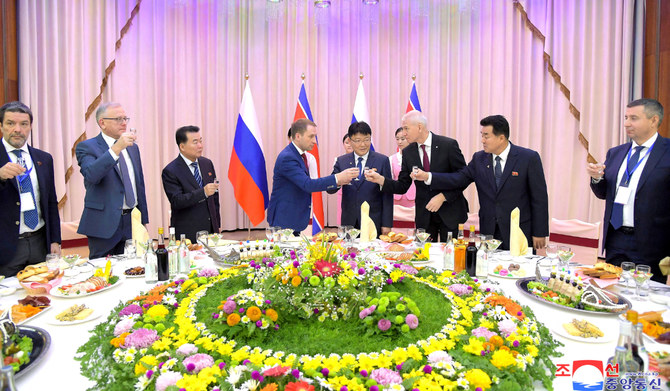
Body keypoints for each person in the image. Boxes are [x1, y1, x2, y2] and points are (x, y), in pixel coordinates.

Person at [414, 115, 549, 251]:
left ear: (501, 138)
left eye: (486, 136)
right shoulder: (479, 159)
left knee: (519, 270)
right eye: (482, 135)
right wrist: (428, 176)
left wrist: (540, 232)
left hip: (518, 230)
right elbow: (459, 178)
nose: (482, 140)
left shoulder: (528, 158)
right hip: (489, 230)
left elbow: (539, 198)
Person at [588, 98, 670, 283]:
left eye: (634, 118)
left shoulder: (667, 152)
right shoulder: (616, 153)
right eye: (626, 117)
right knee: (614, 291)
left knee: (645, 298)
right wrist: (597, 178)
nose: (626, 123)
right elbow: (604, 193)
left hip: (651, 243)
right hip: (616, 238)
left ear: (653, 120)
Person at [365, 110, 468, 242]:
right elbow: (402, 185)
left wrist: (443, 197)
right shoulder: (408, 152)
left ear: (419, 127)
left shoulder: (448, 145)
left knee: (449, 257)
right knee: (423, 256)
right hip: (424, 217)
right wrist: (380, 179)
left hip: (450, 213)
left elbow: (463, 178)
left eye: (406, 128)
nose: (404, 133)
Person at [76, 102, 148, 259]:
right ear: (102, 123)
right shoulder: (87, 147)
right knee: (103, 274)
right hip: (104, 223)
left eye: (125, 118)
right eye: (118, 119)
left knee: (134, 268)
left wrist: (144, 220)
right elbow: (92, 175)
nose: (124, 123)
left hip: (132, 221)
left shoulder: (132, 147)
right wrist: (116, 149)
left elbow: (139, 185)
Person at [0, 101, 61, 276]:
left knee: (44, 297)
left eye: (23, 124)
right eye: (11, 123)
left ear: (30, 127)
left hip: (39, 243)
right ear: (1, 126)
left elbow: (51, 202)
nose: (17, 129)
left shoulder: (44, 159)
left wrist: (55, 240)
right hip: (6, 247)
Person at [267, 119, 359, 234]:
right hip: (285, 219)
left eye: (315, 136)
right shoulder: (288, 157)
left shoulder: (298, 155)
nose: (314, 141)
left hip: (293, 218)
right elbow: (308, 184)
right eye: (311, 136)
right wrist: (337, 178)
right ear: (298, 136)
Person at [328, 122, 393, 234]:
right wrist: (340, 180)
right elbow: (330, 189)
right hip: (349, 221)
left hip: (373, 221)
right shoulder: (342, 161)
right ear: (349, 141)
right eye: (358, 141)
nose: (363, 144)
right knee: (349, 251)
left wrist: (386, 224)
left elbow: (387, 195)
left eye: (366, 139)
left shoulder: (382, 161)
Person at [162, 126, 220, 242]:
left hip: (210, 230)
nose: (200, 146)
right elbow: (177, 201)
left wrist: (217, 223)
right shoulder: (171, 171)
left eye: (201, 141)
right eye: (195, 142)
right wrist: (203, 192)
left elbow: (215, 198)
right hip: (187, 232)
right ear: (182, 146)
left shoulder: (207, 163)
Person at [389, 127, 416, 231]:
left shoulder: (416, 158)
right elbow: (390, 179)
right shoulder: (391, 159)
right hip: (397, 199)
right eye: (397, 139)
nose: (399, 142)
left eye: (402, 139)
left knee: (412, 226)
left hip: (413, 198)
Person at [337, 133, 353, 225]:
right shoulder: (339, 160)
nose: (349, 145)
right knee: (342, 215)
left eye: (352, 142)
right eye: (347, 143)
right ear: (343, 144)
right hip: (343, 192)